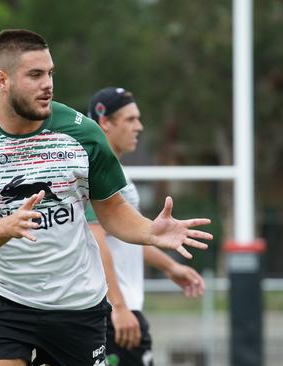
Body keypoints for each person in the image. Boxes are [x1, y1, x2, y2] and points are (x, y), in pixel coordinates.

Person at [0, 29, 213, 366]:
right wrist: (6, 226)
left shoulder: (82, 132)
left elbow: (111, 212)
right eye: (35, 75)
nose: (47, 84)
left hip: (76, 306)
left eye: (50, 73)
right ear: (2, 80)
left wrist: (150, 231)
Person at [86, 87, 205, 366]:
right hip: (112, 311)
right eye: (130, 119)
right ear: (105, 122)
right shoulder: (96, 171)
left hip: (123, 308)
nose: (139, 126)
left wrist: (170, 267)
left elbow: (129, 237)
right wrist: (118, 306)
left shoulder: (118, 172)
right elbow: (96, 238)